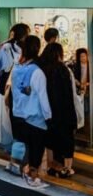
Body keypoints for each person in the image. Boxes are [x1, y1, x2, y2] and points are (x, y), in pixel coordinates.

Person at [11, 35, 52, 188]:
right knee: (37, 148)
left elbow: (15, 94)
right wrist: (49, 116)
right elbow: (43, 97)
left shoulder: (17, 71)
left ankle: (25, 170)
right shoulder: (37, 73)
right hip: (36, 117)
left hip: (19, 114)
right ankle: (32, 176)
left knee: (26, 145)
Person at [41, 43, 77, 178]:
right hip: (64, 111)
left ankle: (51, 166)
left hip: (49, 111)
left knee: (50, 139)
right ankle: (67, 168)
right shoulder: (63, 70)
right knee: (67, 140)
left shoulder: (42, 70)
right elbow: (69, 94)